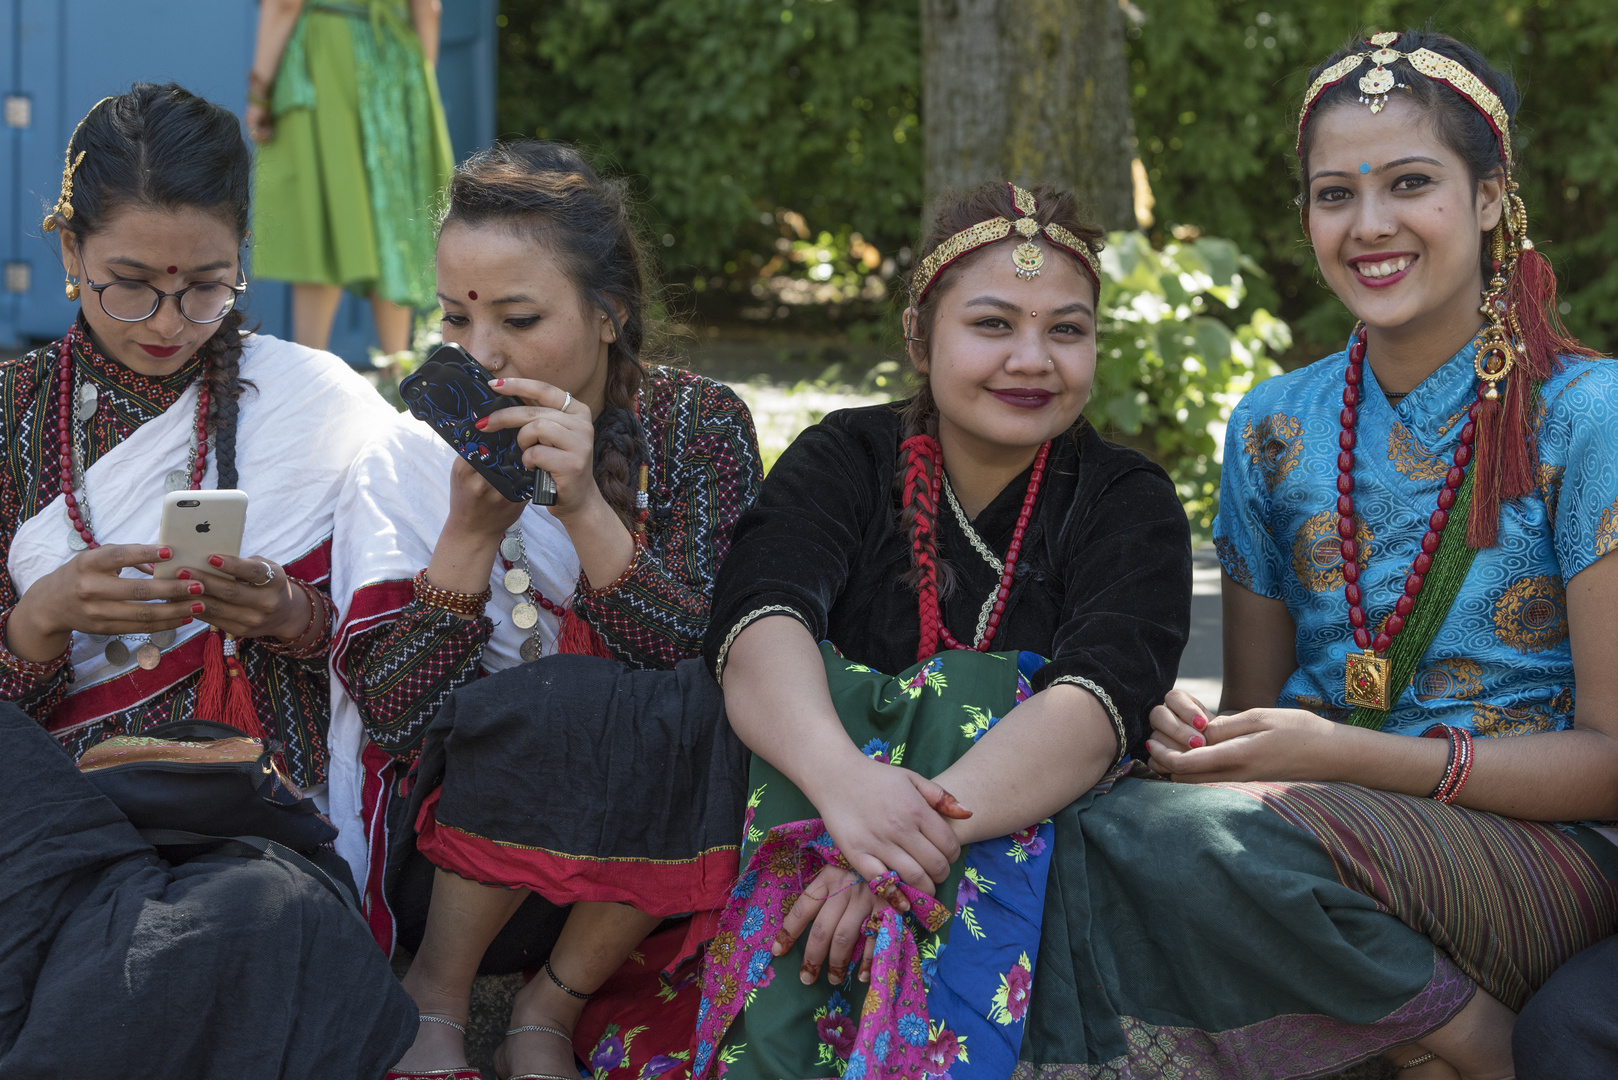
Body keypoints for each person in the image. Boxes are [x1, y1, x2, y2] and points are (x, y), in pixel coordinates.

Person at [955, 30, 1616, 1080]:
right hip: (1310, 831)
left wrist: (1347, 757)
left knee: (1194, 846)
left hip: (1536, 848)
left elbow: (1611, 762)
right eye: (1333, 195)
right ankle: (1419, 1035)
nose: (1369, 226)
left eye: (1409, 183)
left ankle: (1476, 1046)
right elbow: (1258, 721)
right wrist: (1194, 735)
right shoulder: (1273, 424)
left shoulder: (1587, 416)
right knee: (1076, 826)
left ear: (1491, 199)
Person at [690, 180, 1193, 1079]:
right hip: (819, 795)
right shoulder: (843, 457)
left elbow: (1101, 701)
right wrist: (847, 788)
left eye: (1067, 330)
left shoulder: (1129, 501)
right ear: (921, 340)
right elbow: (759, 622)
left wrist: (885, 849)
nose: (1032, 360)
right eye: (993, 325)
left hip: (1011, 828)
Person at [326, 141, 763, 1080]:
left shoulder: (699, 425)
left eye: (519, 318)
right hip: (452, 848)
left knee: (698, 703)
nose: (481, 354)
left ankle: (546, 1010)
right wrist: (468, 542)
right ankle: (435, 994)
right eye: (453, 319)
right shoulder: (410, 453)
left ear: (610, 315)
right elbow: (394, 717)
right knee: (550, 697)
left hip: (652, 850)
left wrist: (588, 514)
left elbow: (715, 660)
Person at [0, 84, 413, 1075]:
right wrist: (37, 628)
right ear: (68, 252)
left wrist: (295, 617)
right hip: (47, 812)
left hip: (240, 810)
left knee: (243, 921)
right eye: (129, 283)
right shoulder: (10, 415)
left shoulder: (312, 405)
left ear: (244, 259)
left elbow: (412, 675)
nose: (167, 319)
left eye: (205, 286)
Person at [246, 0, 453, 360]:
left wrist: (259, 90)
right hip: (397, 57)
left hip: (327, 55)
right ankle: (397, 374)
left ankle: (309, 374)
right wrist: (417, 83)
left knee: (322, 217)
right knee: (393, 222)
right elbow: (429, 10)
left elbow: (284, 4)